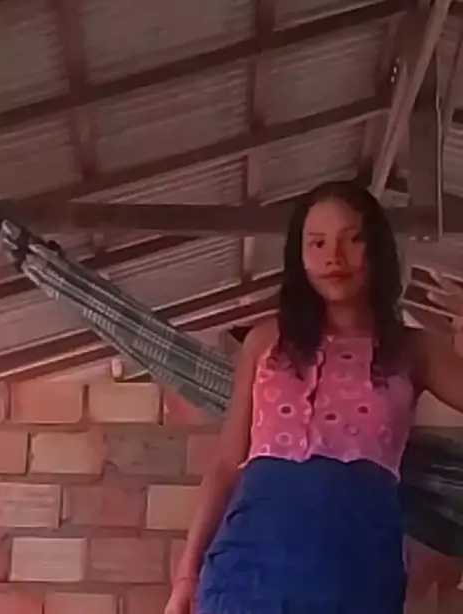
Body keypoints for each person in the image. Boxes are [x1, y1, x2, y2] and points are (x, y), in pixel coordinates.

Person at [165, 180, 463, 614]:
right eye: (317, 243)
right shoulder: (265, 341)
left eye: (352, 239)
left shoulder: (414, 349)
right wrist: (186, 577)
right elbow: (227, 464)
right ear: (299, 255)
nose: (333, 257)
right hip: (247, 566)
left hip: (357, 570)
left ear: (378, 250)